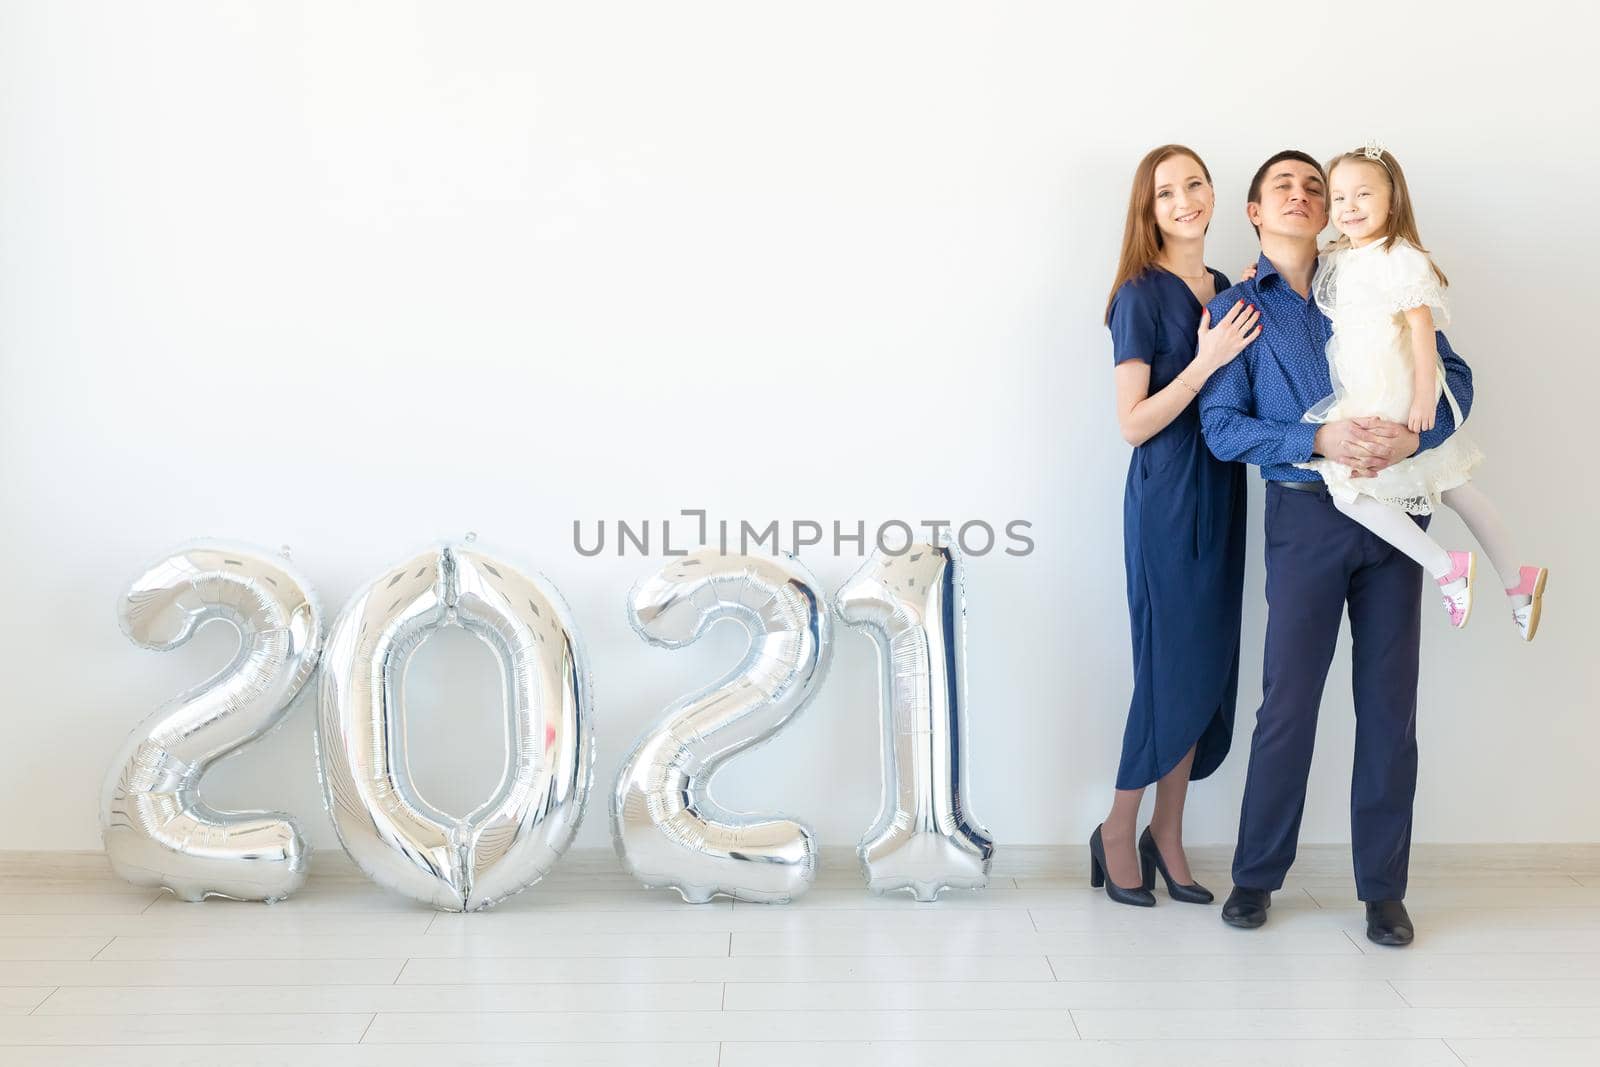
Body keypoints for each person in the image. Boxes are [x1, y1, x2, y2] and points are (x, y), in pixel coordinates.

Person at [1198, 149, 1476, 947]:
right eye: (1282, 185)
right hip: (1305, 517)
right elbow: (1222, 428)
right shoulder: (1237, 310)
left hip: (1398, 513)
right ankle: (1255, 876)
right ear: (1254, 210)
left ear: (1332, 210)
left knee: (1390, 709)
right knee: (1287, 705)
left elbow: (1455, 376)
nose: (1301, 194)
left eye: (1314, 186)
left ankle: (1384, 890)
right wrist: (1316, 434)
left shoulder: (1374, 272)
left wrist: (1411, 435)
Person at [1092, 145, 1258, 908]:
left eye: (1195, 184)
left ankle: (1169, 830)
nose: (1186, 198)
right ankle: (1118, 828)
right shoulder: (1138, 295)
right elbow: (1133, 423)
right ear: (1148, 208)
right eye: (1168, 191)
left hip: (1223, 487)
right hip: (1167, 494)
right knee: (1167, 666)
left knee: (1208, 664)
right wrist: (1205, 358)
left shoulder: (1225, 287)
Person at [1294, 141, 1546, 638]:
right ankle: (1518, 579)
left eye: (1363, 195)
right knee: (1449, 484)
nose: (1349, 207)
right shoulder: (1342, 258)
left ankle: (1449, 569)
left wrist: (1424, 396)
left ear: (1392, 202)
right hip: (1364, 389)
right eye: (1339, 197)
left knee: (1351, 487)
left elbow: (1420, 326)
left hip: (1397, 388)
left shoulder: (1400, 255)